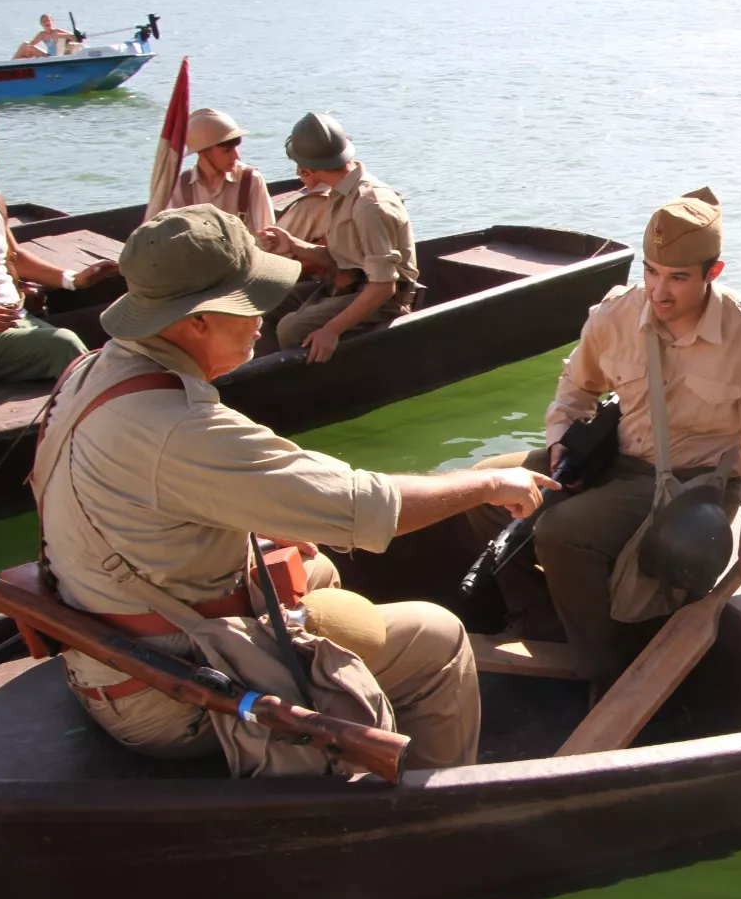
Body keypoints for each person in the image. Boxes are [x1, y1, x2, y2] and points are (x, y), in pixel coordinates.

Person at [31, 205, 556, 772]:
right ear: (194, 321)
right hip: (165, 691)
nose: (267, 314)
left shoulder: (94, 370)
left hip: (113, 643)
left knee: (320, 570)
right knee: (439, 637)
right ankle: (428, 817)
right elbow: (366, 507)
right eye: (248, 302)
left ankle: (365, 716)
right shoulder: (178, 427)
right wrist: (487, 483)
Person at [473, 187, 741, 695]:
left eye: (678, 278)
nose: (659, 292)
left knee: (563, 530)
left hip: (690, 482)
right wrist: (560, 445)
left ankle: (605, 672)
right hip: (612, 457)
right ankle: (543, 619)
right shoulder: (617, 315)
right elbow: (576, 388)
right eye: (652, 271)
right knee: (486, 487)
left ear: (712, 273)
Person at [0, 107, 115, 388]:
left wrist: (72, 279)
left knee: (111, 331)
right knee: (64, 344)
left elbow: (13, 258)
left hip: (21, 321)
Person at [258, 113, 416, 364]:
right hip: (347, 285)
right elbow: (341, 258)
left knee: (291, 328)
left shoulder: (369, 205)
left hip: (384, 300)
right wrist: (294, 245)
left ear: (306, 167)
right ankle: (259, 371)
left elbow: (385, 286)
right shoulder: (341, 193)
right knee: (265, 300)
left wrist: (331, 330)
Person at [165, 108, 276, 233]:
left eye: (235, 148)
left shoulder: (251, 180)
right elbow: (171, 237)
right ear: (203, 152)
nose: (236, 156)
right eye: (226, 150)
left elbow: (268, 238)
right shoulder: (183, 185)